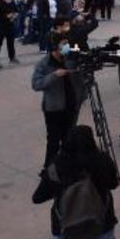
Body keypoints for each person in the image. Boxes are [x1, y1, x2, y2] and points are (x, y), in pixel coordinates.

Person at [32, 125, 120, 239]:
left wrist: (58, 189)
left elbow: (37, 198)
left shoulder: (57, 167)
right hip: (101, 225)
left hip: (66, 230)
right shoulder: (101, 161)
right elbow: (114, 183)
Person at [32, 31, 87, 167]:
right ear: (54, 46)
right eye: (63, 44)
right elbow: (36, 84)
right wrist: (54, 75)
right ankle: (49, 168)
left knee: (69, 139)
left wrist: (81, 95)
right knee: (54, 141)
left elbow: (78, 79)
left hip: (71, 106)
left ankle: (67, 166)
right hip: (54, 109)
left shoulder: (70, 60)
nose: (67, 46)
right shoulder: (44, 64)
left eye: (67, 43)